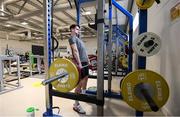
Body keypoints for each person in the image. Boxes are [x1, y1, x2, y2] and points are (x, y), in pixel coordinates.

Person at [68, 24, 89, 114]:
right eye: (77, 29)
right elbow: (75, 51)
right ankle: (76, 104)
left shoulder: (78, 39)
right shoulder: (72, 38)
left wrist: (88, 59)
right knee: (79, 83)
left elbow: (84, 50)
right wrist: (79, 63)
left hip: (85, 62)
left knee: (86, 77)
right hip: (80, 63)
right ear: (72, 29)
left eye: (79, 29)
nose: (78, 30)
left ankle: (83, 94)